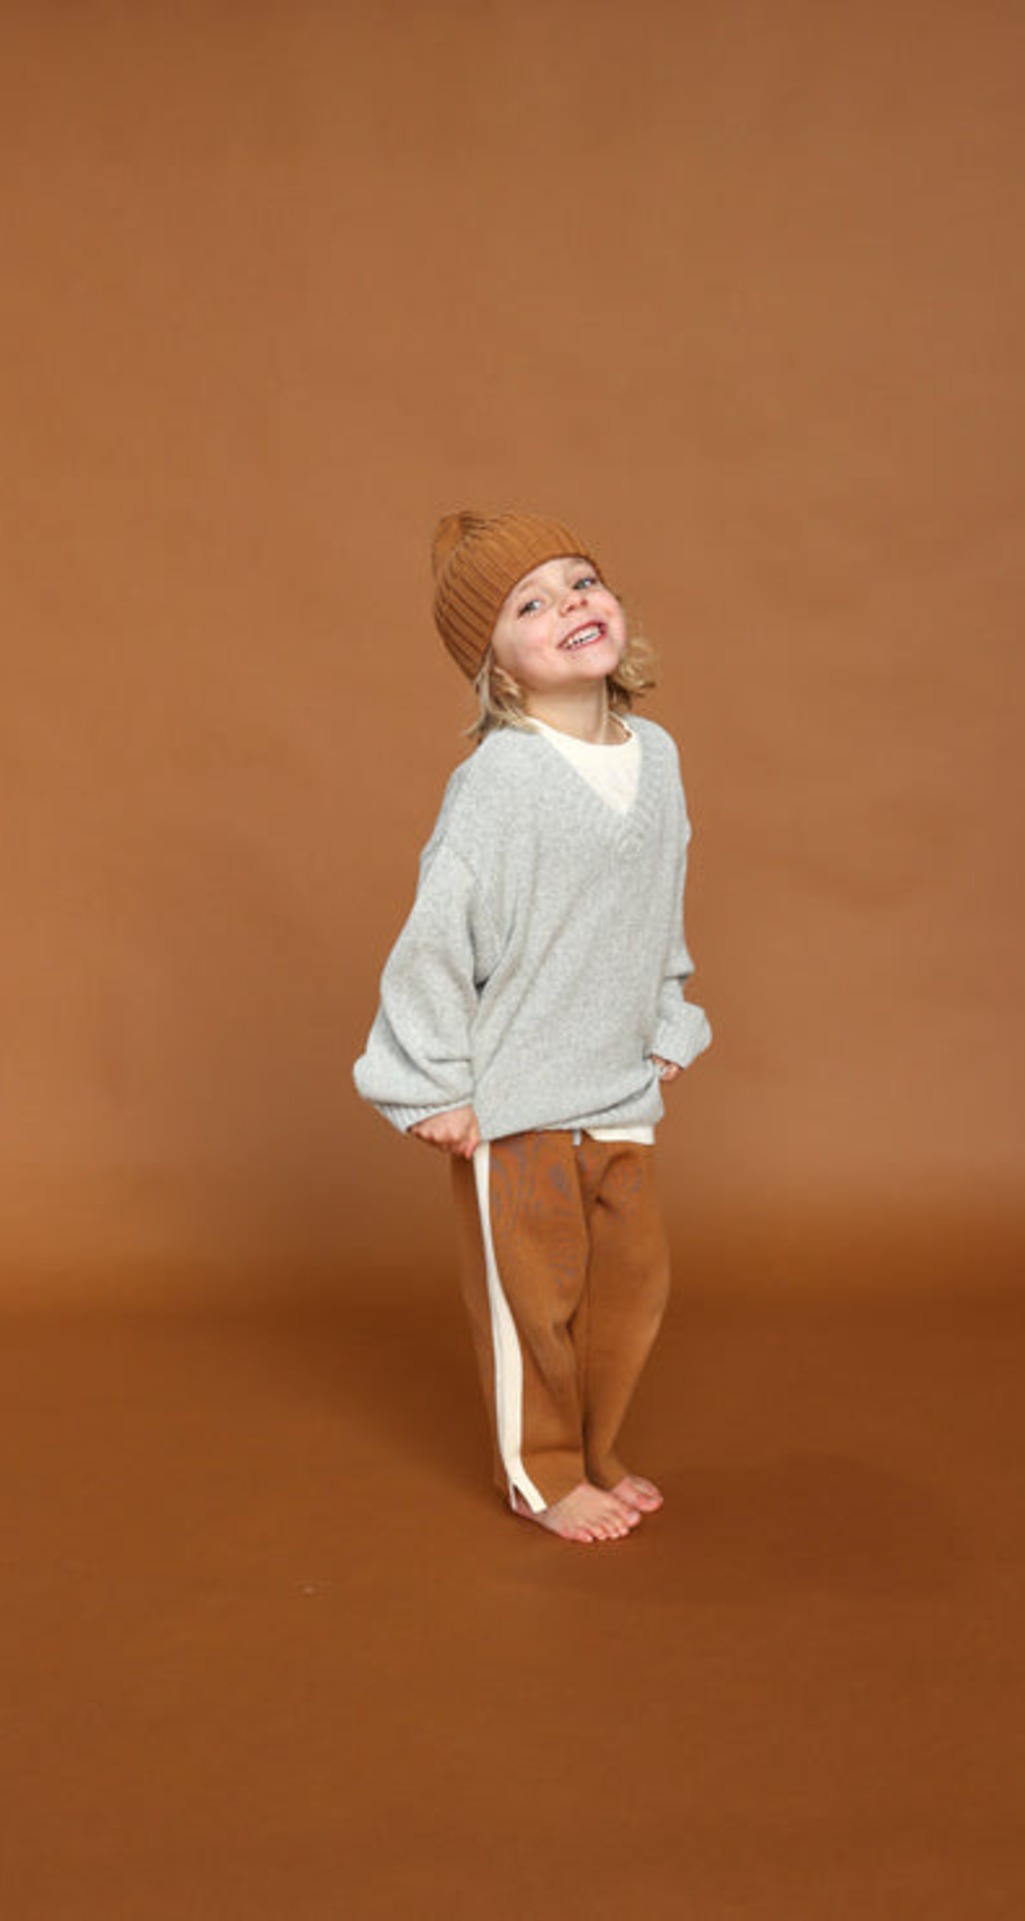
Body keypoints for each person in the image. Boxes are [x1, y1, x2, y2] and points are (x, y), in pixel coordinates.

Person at [353, 510, 711, 1544]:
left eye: (582, 581)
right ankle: (541, 1475)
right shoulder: (498, 782)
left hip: (616, 1079)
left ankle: (596, 1452)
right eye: (530, 603)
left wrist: (667, 1014)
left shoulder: (658, 756)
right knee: (532, 1301)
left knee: (630, 1288)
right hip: (514, 1099)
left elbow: (658, 904)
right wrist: (433, 1084)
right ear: (497, 667)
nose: (570, 606)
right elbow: (436, 936)